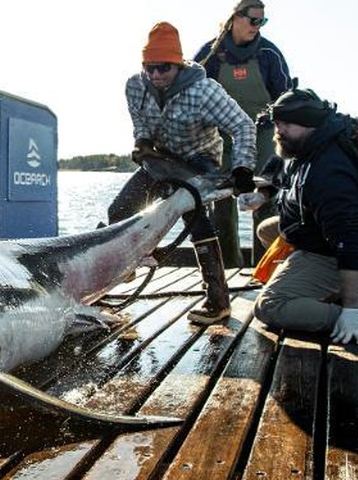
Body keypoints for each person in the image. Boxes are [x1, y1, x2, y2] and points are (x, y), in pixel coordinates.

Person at [107, 21, 257, 324]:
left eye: (163, 68)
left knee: (194, 217)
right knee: (119, 209)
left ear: (177, 65)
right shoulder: (135, 86)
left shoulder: (204, 91)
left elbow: (242, 126)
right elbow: (140, 121)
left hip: (199, 159)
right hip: (161, 156)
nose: (156, 75)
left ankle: (217, 301)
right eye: (149, 68)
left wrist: (242, 167)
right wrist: (142, 141)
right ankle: (127, 264)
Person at [252, 88, 358, 344]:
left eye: (285, 124)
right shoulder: (309, 142)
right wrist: (263, 194)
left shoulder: (330, 171)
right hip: (316, 233)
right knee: (266, 230)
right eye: (276, 123)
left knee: (269, 305)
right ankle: (324, 290)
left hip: (344, 250)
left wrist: (351, 312)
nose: (278, 130)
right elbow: (284, 167)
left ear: (309, 123)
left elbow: (349, 239)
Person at [194, 0, 292, 268]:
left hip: (263, 134)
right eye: (253, 20)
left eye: (263, 21)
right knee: (222, 203)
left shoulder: (269, 54)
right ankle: (228, 267)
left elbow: (284, 97)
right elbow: (193, 93)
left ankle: (265, 268)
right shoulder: (210, 54)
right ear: (235, 17)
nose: (257, 26)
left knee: (264, 200)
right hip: (221, 135)